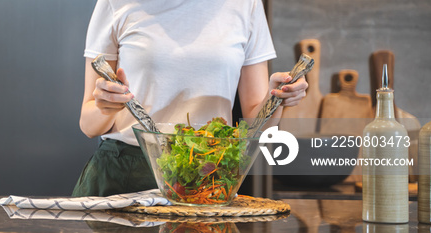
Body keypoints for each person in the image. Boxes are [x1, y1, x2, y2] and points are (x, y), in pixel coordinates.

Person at [72, 0, 308, 197]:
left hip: (207, 179)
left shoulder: (246, 4)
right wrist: (106, 105)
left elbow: (255, 126)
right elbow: (88, 125)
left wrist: (277, 98)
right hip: (123, 177)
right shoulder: (115, 3)